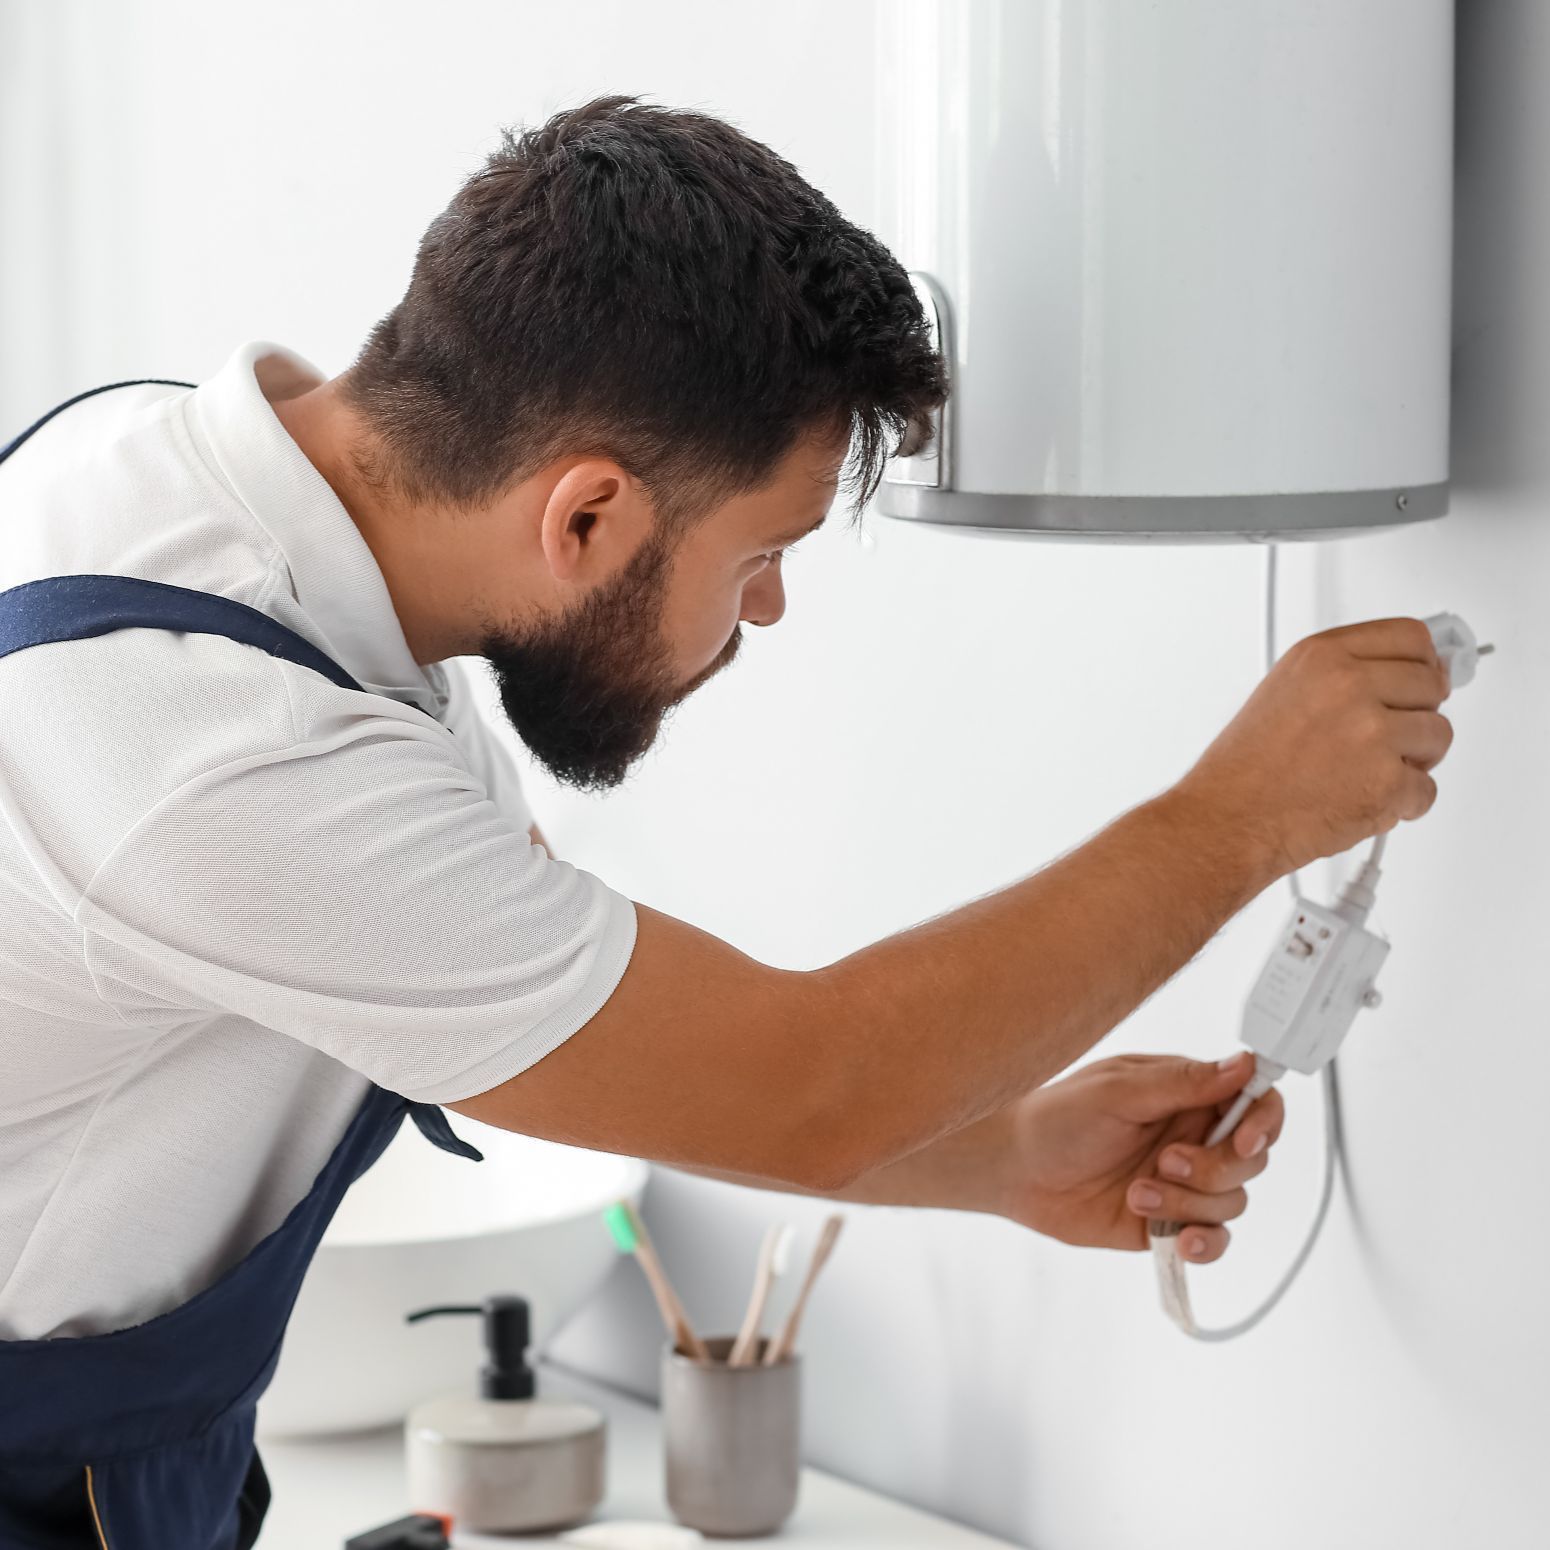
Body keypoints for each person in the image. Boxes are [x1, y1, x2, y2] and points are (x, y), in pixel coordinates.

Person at [0, 97, 1452, 1547]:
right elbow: (803, 1086)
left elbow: (541, 1024)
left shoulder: (179, 487)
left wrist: (1001, 1152)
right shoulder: (221, 751)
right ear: (585, 517)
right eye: (762, 549)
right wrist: (1239, 816)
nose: (767, 607)